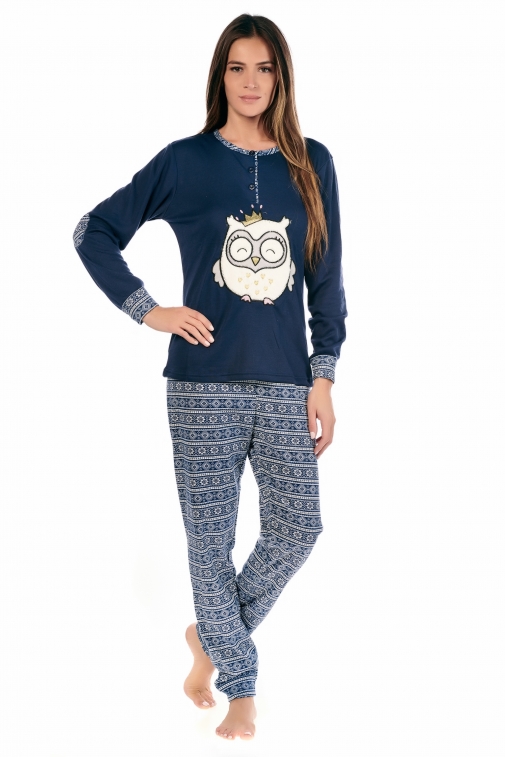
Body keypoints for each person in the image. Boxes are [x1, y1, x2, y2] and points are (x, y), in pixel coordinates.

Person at [72, 13, 347, 742]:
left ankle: (209, 637)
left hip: (287, 384)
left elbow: (326, 280)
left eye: (264, 68)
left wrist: (323, 377)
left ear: (281, 78)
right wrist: (149, 310)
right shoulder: (184, 161)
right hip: (201, 387)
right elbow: (92, 231)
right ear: (219, 75)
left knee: (300, 526)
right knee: (210, 542)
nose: (251, 82)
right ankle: (241, 687)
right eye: (237, 67)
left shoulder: (312, 163)